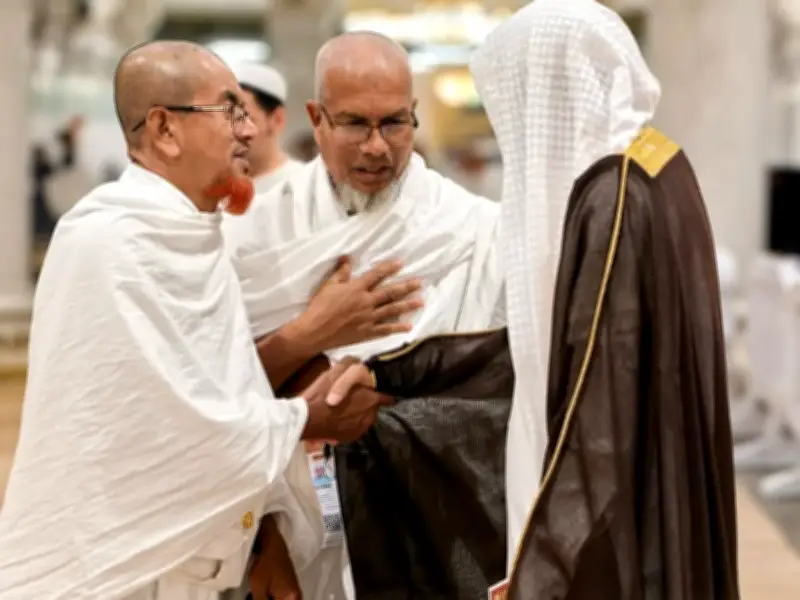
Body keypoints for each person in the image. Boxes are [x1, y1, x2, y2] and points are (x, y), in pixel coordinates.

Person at [325, 1, 740, 598]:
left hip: (617, 537)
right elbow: (546, 346)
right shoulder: (655, 165)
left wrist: (542, 572)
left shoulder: (611, 198)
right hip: (650, 491)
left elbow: (600, 415)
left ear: (548, 91)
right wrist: (395, 372)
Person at [0, 40, 389, 600]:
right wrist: (308, 415)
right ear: (165, 130)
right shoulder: (109, 241)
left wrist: (263, 535)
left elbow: (228, 392)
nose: (248, 131)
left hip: (199, 561)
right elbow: (167, 430)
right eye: (230, 110)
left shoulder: (194, 234)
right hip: (117, 572)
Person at [223, 31, 507, 600]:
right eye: (355, 123)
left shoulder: (472, 230)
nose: (377, 148)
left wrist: (388, 399)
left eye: (394, 123)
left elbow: (499, 391)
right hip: (288, 524)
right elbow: (212, 395)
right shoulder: (258, 234)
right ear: (316, 119)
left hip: (427, 529)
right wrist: (311, 334)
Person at [229, 62, 304, 192]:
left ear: (277, 119)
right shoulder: (214, 188)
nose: (232, 131)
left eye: (242, 119)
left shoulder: (302, 187)